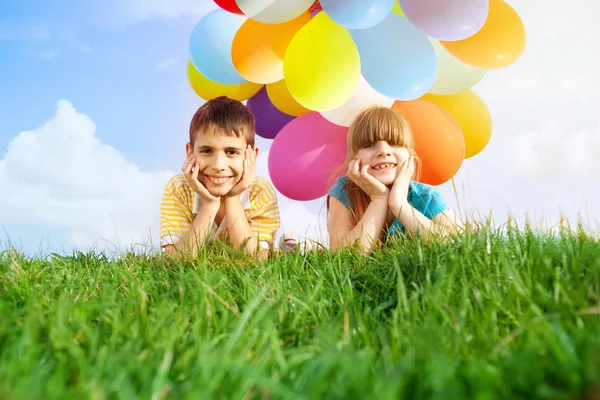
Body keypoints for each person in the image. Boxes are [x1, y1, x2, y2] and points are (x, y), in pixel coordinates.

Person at [327, 106, 462, 252]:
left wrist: (399, 204)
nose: (383, 152)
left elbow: (456, 245)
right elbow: (343, 258)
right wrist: (379, 199)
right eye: (369, 145)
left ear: (410, 155)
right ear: (354, 157)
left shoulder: (426, 196)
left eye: (393, 143)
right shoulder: (345, 191)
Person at [160, 96, 280, 259]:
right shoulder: (179, 187)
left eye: (231, 152)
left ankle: (287, 244)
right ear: (190, 152)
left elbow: (255, 260)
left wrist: (233, 198)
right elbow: (174, 260)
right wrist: (209, 205)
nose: (218, 165)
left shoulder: (259, 190)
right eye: (207, 151)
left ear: (251, 155)